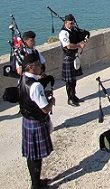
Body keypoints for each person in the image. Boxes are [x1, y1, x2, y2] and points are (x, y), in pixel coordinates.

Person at [19, 52, 55, 189]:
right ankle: (36, 185)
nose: (41, 66)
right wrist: (51, 101)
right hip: (36, 122)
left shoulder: (22, 79)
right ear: (30, 67)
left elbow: (29, 97)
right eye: (38, 65)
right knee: (37, 156)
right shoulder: (35, 86)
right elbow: (45, 109)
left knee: (31, 155)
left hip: (27, 120)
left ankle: (36, 182)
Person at [59, 14, 88, 107]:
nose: (72, 25)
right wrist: (79, 45)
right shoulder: (63, 33)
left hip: (75, 57)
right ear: (65, 23)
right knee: (69, 81)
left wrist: (84, 40)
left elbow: (84, 34)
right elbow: (68, 45)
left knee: (74, 79)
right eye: (70, 23)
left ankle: (74, 95)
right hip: (68, 58)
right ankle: (69, 99)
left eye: (73, 23)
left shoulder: (73, 31)